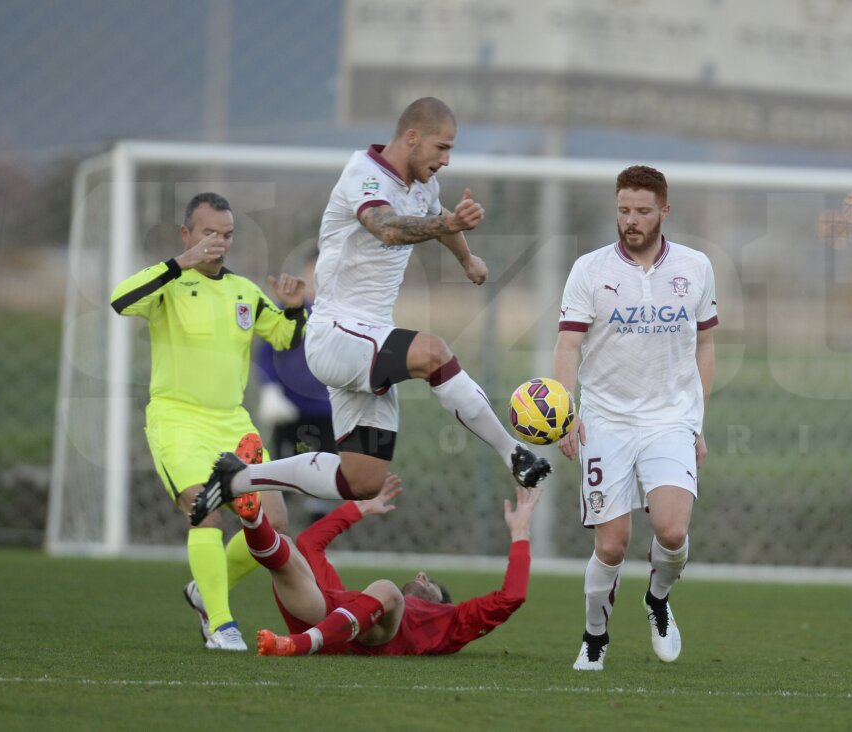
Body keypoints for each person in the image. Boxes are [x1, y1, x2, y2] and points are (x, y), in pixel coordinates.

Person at [189, 97, 550, 525]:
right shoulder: (364, 174)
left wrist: (466, 259)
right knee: (433, 353)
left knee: (362, 480)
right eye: (442, 147)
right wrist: (447, 227)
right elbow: (386, 227)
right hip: (336, 332)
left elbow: (438, 215)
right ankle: (512, 452)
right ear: (412, 137)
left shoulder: (423, 186)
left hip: (367, 340)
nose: (447, 160)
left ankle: (237, 479)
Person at [110, 192, 307, 651]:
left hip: (232, 422)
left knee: (274, 521)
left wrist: (295, 308)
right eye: (208, 233)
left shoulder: (244, 292)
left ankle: (204, 592)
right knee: (204, 509)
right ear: (187, 234)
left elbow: (284, 337)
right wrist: (181, 262)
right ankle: (221, 625)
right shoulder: (169, 284)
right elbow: (121, 301)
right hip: (177, 418)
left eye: (226, 234)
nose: (218, 241)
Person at [553, 165, 717, 671]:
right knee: (613, 542)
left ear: (664, 211)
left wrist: (697, 421)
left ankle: (658, 600)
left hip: (670, 420)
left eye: (643, 210)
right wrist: (565, 412)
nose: (631, 219)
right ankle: (595, 637)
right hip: (606, 421)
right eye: (624, 209)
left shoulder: (695, 266)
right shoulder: (590, 269)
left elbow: (706, 343)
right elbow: (568, 343)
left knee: (670, 531)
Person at [221, 463, 540, 657]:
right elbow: (311, 544)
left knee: (387, 588)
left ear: (440, 604)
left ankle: (299, 644)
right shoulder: (348, 599)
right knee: (288, 548)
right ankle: (251, 516)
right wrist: (359, 508)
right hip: (325, 617)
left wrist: (521, 530)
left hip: (358, 636)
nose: (422, 577)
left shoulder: (450, 621)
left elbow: (512, 596)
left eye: (433, 587)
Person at [255, 252, 335, 522]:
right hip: (290, 410)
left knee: (323, 476)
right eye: (314, 277)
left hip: (328, 411)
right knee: (283, 469)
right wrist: (271, 390)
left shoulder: (343, 316)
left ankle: (316, 538)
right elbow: (265, 355)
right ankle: (275, 531)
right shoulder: (291, 312)